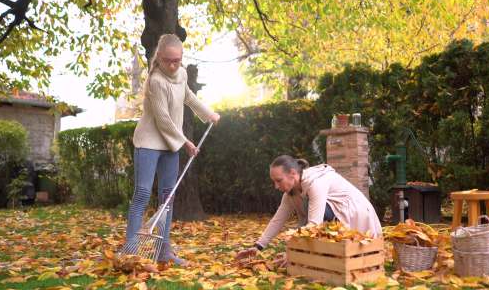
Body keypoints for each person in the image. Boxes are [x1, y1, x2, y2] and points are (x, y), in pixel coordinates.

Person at [125, 33, 219, 269]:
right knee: (143, 194)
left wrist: (208, 113)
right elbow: (163, 120)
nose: (173, 65)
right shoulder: (155, 80)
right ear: (160, 58)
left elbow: (188, 96)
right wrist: (185, 141)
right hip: (149, 141)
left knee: (168, 197)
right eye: (168, 60)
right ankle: (131, 252)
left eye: (177, 60)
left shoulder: (182, 73)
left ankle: (163, 251)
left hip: (170, 144)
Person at [235, 155, 382, 264]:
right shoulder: (291, 193)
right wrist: (258, 247)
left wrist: (295, 255)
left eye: (278, 180)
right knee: (309, 221)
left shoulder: (316, 183)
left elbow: (314, 225)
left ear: (293, 173)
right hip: (339, 218)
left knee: (315, 216)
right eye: (274, 182)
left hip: (358, 218)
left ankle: (333, 254)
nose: (276, 186)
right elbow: (277, 221)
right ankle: (326, 256)